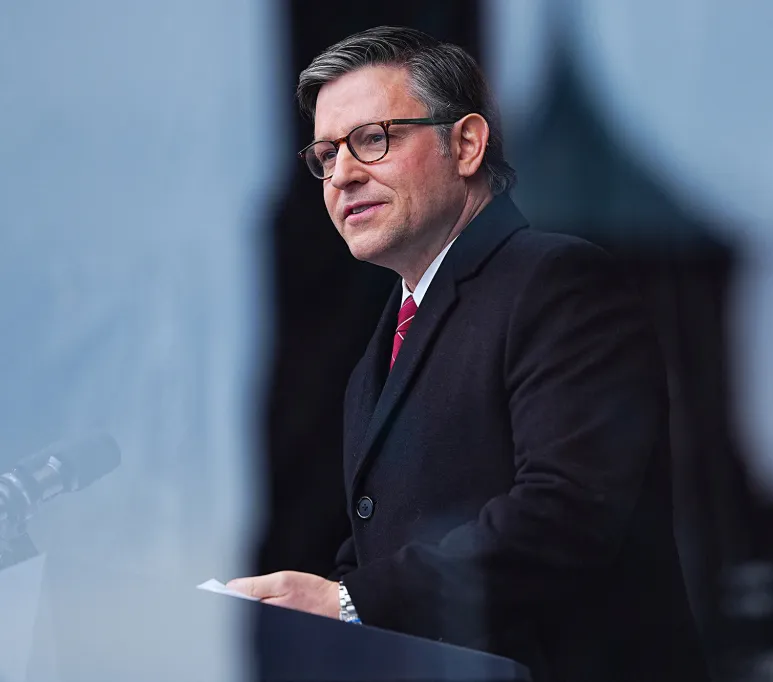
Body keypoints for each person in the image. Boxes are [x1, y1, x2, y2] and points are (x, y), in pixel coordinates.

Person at [229, 26, 708, 682]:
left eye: (372, 139)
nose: (341, 175)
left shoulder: (557, 283)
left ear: (466, 143)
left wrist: (346, 601)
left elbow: (565, 515)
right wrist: (303, 608)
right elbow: (384, 554)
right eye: (324, 155)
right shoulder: (382, 345)